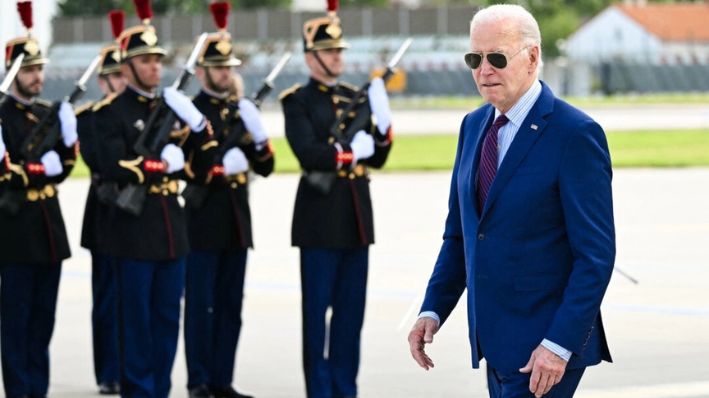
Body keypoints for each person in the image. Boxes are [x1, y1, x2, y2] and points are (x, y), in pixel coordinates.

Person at [407, 5, 615, 398]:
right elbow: (462, 235)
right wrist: (432, 309)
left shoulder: (575, 135)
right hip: (496, 345)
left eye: (497, 58)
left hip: (545, 352)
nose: (484, 69)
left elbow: (596, 257)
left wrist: (558, 345)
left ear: (532, 56)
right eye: (475, 58)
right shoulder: (473, 126)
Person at [92, 1, 212, 396]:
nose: (154, 68)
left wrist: (197, 125)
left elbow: (204, 162)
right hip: (131, 232)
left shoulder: (171, 107)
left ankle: (159, 389)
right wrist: (158, 164)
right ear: (125, 68)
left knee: (165, 322)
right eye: (144, 61)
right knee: (136, 324)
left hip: (171, 231)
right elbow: (109, 162)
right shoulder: (107, 112)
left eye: (157, 61)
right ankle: (139, 391)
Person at [279, 2, 394, 397]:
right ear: (311, 57)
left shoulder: (354, 96)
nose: (337, 57)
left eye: (340, 51)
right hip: (319, 221)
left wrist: (383, 126)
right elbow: (309, 154)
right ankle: (319, 390)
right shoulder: (296, 102)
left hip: (356, 219)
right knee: (317, 317)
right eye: (330, 51)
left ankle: (346, 388)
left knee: (350, 317)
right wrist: (350, 152)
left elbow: (378, 156)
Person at [181, 2, 273, 398]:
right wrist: (218, 168)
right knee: (200, 306)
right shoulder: (190, 111)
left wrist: (260, 138)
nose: (226, 73)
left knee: (230, 308)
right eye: (219, 67)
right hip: (202, 221)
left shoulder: (239, 110)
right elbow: (186, 166)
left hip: (236, 222)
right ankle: (199, 380)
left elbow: (266, 166)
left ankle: (222, 379)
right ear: (201, 72)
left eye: (230, 67)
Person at [0, 2, 78, 397]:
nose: (38, 77)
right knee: (16, 323)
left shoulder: (49, 112)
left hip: (48, 232)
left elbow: (64, 165)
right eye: (29, 70)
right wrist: (33, 170)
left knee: (42, 323)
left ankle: (38, 390)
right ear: (14, 72)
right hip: (15, 235)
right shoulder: (2, 116)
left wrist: (66, 148)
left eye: (40, 69)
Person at [75, 10, 127, 396]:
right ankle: (109, 370)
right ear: (102, 80)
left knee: (135, 299)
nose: (121, 83)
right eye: (115, 77)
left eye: (124, 75)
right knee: (108, 298)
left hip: (139, 217)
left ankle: (131, 364)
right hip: (106, 213)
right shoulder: (91, 118)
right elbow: (100, 161)